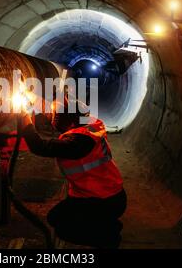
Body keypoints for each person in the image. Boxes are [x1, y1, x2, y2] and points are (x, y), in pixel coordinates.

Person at [19, 100, 126, 248]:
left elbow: (40, 147)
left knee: (63, 229)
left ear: (69, 122)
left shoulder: (77, 143)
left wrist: (26, 123)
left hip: (103, 201)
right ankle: (105, 223)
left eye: (55, 114)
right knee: (55, 217)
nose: (52, 116)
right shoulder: (89, 128)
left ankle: (108, 236)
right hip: (106, 194)